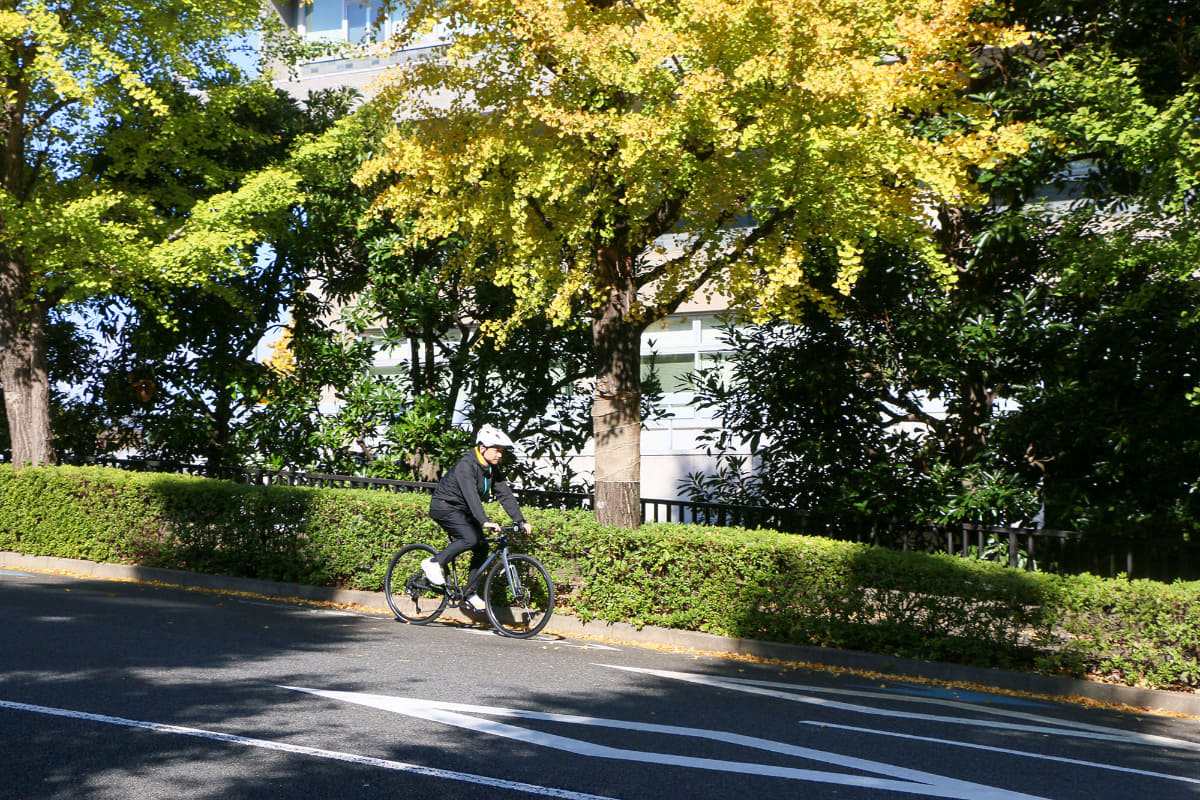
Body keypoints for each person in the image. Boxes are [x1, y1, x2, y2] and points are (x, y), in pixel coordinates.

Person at [422, 424, 532, 612]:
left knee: (482, 546)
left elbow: (504, 494)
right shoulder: (466, 465)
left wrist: (520, 520)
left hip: (462, 511)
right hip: (444, 507)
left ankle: (470, 593)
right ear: (483, 448)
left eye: (501, 451)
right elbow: (470, 495)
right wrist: (484, 521)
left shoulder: (490, 469)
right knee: (470, 538)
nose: (500, 455)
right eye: (496, 450)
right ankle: (434, 563)